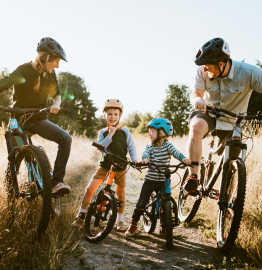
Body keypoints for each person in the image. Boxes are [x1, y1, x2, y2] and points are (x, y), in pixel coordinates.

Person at [184, 37, 262, 195]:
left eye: (207, 66)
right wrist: (198, 99)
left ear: (221, 64)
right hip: (209, 113)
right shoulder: (202, 70)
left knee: (232, 163)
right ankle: (193, 176)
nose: (204, 69)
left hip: (234, 120)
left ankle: (226, 202)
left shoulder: (250, 73)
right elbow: (196, 93)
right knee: (196, 126)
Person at [0, 37, 72, 195]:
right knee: (15, 155)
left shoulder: (50, 74)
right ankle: (11, 193)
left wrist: (56, 104)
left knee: (66, 138)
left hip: (39, 119)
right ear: (45, 57)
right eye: (56, 61)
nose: (57, 65)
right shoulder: (23, 70)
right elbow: (4, 83)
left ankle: (56, 183)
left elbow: (57, 94)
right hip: (18, 120)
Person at [71, 99, 138, 231]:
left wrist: (134, 159)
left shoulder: (125, 131)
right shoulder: (103, 132)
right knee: (90, 189)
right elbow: (101, 148)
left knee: (120, 192)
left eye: (115, 114)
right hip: (104, 165)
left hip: (120, 166)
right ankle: (81, 215)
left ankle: (119, 220)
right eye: (109, 114)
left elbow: (131, 147)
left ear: (120, 116)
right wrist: (110, 135)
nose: (112, 117)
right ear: (104, 116)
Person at [125, 118, 191, 236]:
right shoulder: (150, 146)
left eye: (152, 131)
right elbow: (146, 154)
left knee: (165, 203)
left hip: (164, 180)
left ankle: (164, 226)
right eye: (149, 131)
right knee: (141, 203)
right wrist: (145, 159)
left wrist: (183, 159)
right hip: (150, 180)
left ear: (161, 133)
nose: (149, 134)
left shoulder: (167, 145)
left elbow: (175, 152)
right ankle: (133, 224)